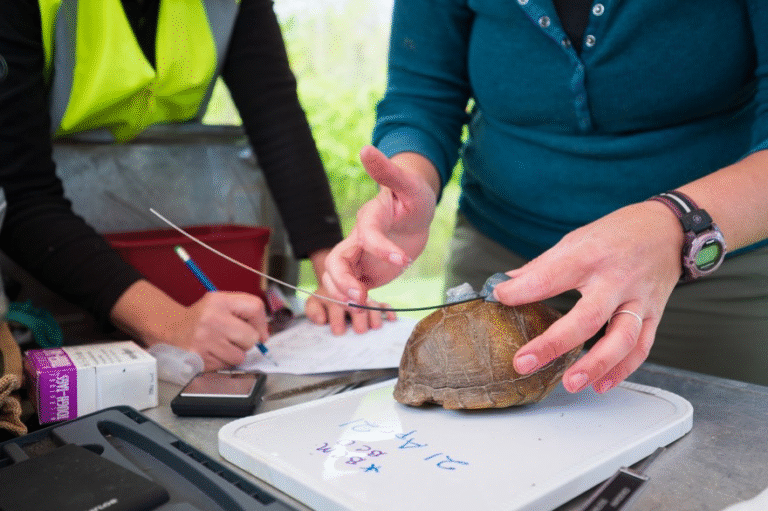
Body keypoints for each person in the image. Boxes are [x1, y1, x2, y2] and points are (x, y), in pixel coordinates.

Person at [322, 0, 768, 389]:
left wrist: (677, 223)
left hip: (708, 268)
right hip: (505, 263)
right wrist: (411, 181)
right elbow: (423, 94)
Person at [0, 0, 387, 371]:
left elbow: (276, 116)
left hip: (164, 257)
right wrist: (169, 325)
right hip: (43, 277)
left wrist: (332, 272)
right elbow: (19, 190)